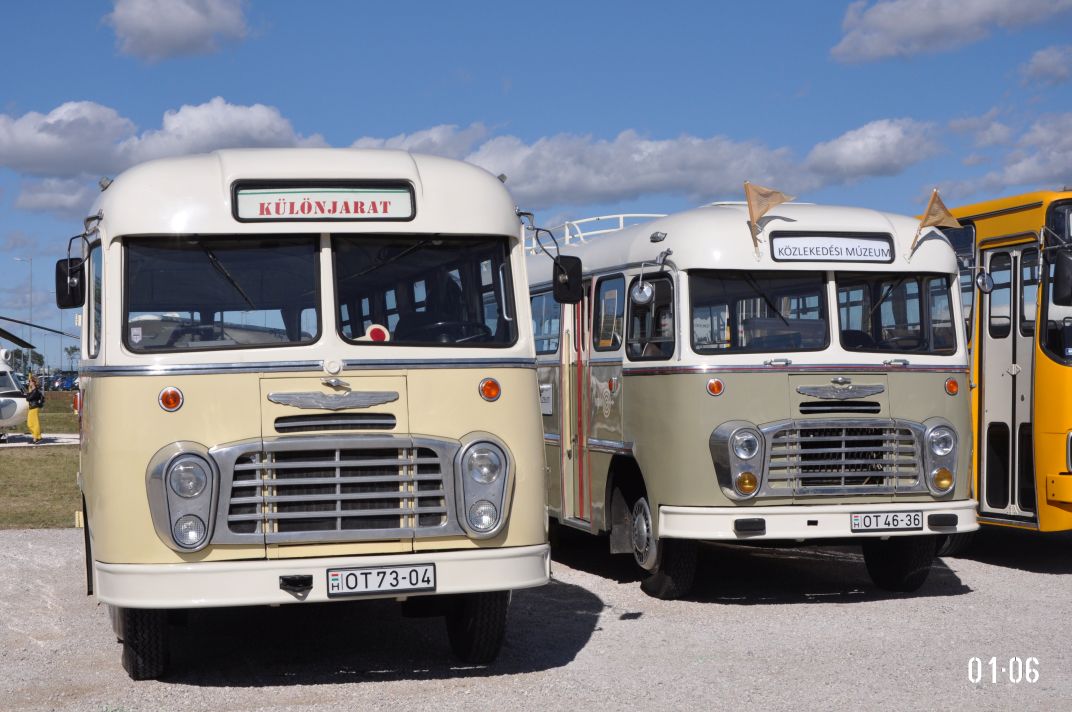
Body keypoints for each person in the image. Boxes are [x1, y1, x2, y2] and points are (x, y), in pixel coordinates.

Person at [25, 374, 44, 444]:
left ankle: (37, 438)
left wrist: (28, 392)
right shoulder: (33, 390)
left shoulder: (35, 391)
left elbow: (28, 398)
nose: (29, 383)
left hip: (34, 408)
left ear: (33, 382)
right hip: (31, 408)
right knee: (29, 424)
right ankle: (35, 437)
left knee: (35, 423)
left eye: (30, 381)